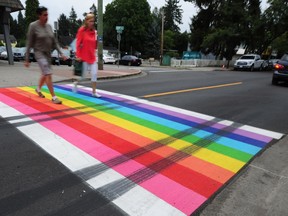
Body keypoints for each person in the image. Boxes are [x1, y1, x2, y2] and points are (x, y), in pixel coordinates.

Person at [25, 6, 66, 104]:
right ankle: (54, 97)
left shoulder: (49, 26)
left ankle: (38, 89)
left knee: (45, 73)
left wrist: (61, 53)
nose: (47, 17)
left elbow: (55, 42)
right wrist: (27, 59)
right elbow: (29, 43)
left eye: (47, 14)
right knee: (47, 73)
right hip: (39, 53)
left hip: (48, 54)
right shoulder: (33, 26)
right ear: (39, 15)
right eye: (44, 15)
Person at [73, 13, 101, 98]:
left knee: (94, 73)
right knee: (82, 76)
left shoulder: (95, 32)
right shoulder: (82, 30)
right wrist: (77, 55)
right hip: (83, 57)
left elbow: (95, 45)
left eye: (93, 21)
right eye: (90, 21)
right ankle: (75, 83)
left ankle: (94, 92)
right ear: (86, 21)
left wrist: (96, 53)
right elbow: (78, 43)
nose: (92, 23)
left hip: (92, 56)